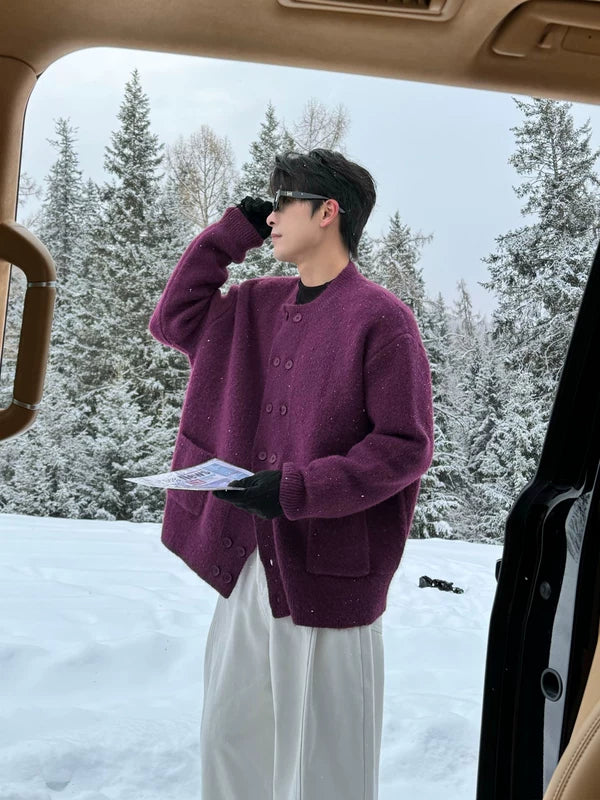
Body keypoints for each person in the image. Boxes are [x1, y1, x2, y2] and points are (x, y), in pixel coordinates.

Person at [147, 148, 434, 799]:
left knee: (321, 765)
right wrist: (231, 234)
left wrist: (299, 490)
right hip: (243, 562)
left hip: (328, 573)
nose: (271, 217)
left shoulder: (381, 320)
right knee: (230, 740)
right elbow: (174, 320)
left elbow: (404, 447)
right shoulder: (253, 304)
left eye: (283, 203)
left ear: (327, 212)